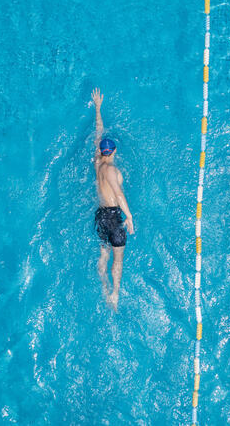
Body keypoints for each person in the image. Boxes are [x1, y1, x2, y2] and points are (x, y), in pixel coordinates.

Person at [91, 88, 134, 310]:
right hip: (114, 216)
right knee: (118, 259)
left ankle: (104, 288)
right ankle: (115, 294)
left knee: (103, 253)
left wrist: (98, 109)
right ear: (114, 151)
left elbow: (98, 134)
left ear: (102, 151)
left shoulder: (98, 163)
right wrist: (129, 217)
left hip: (100, 215)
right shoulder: (111, 170)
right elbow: (118, 194)